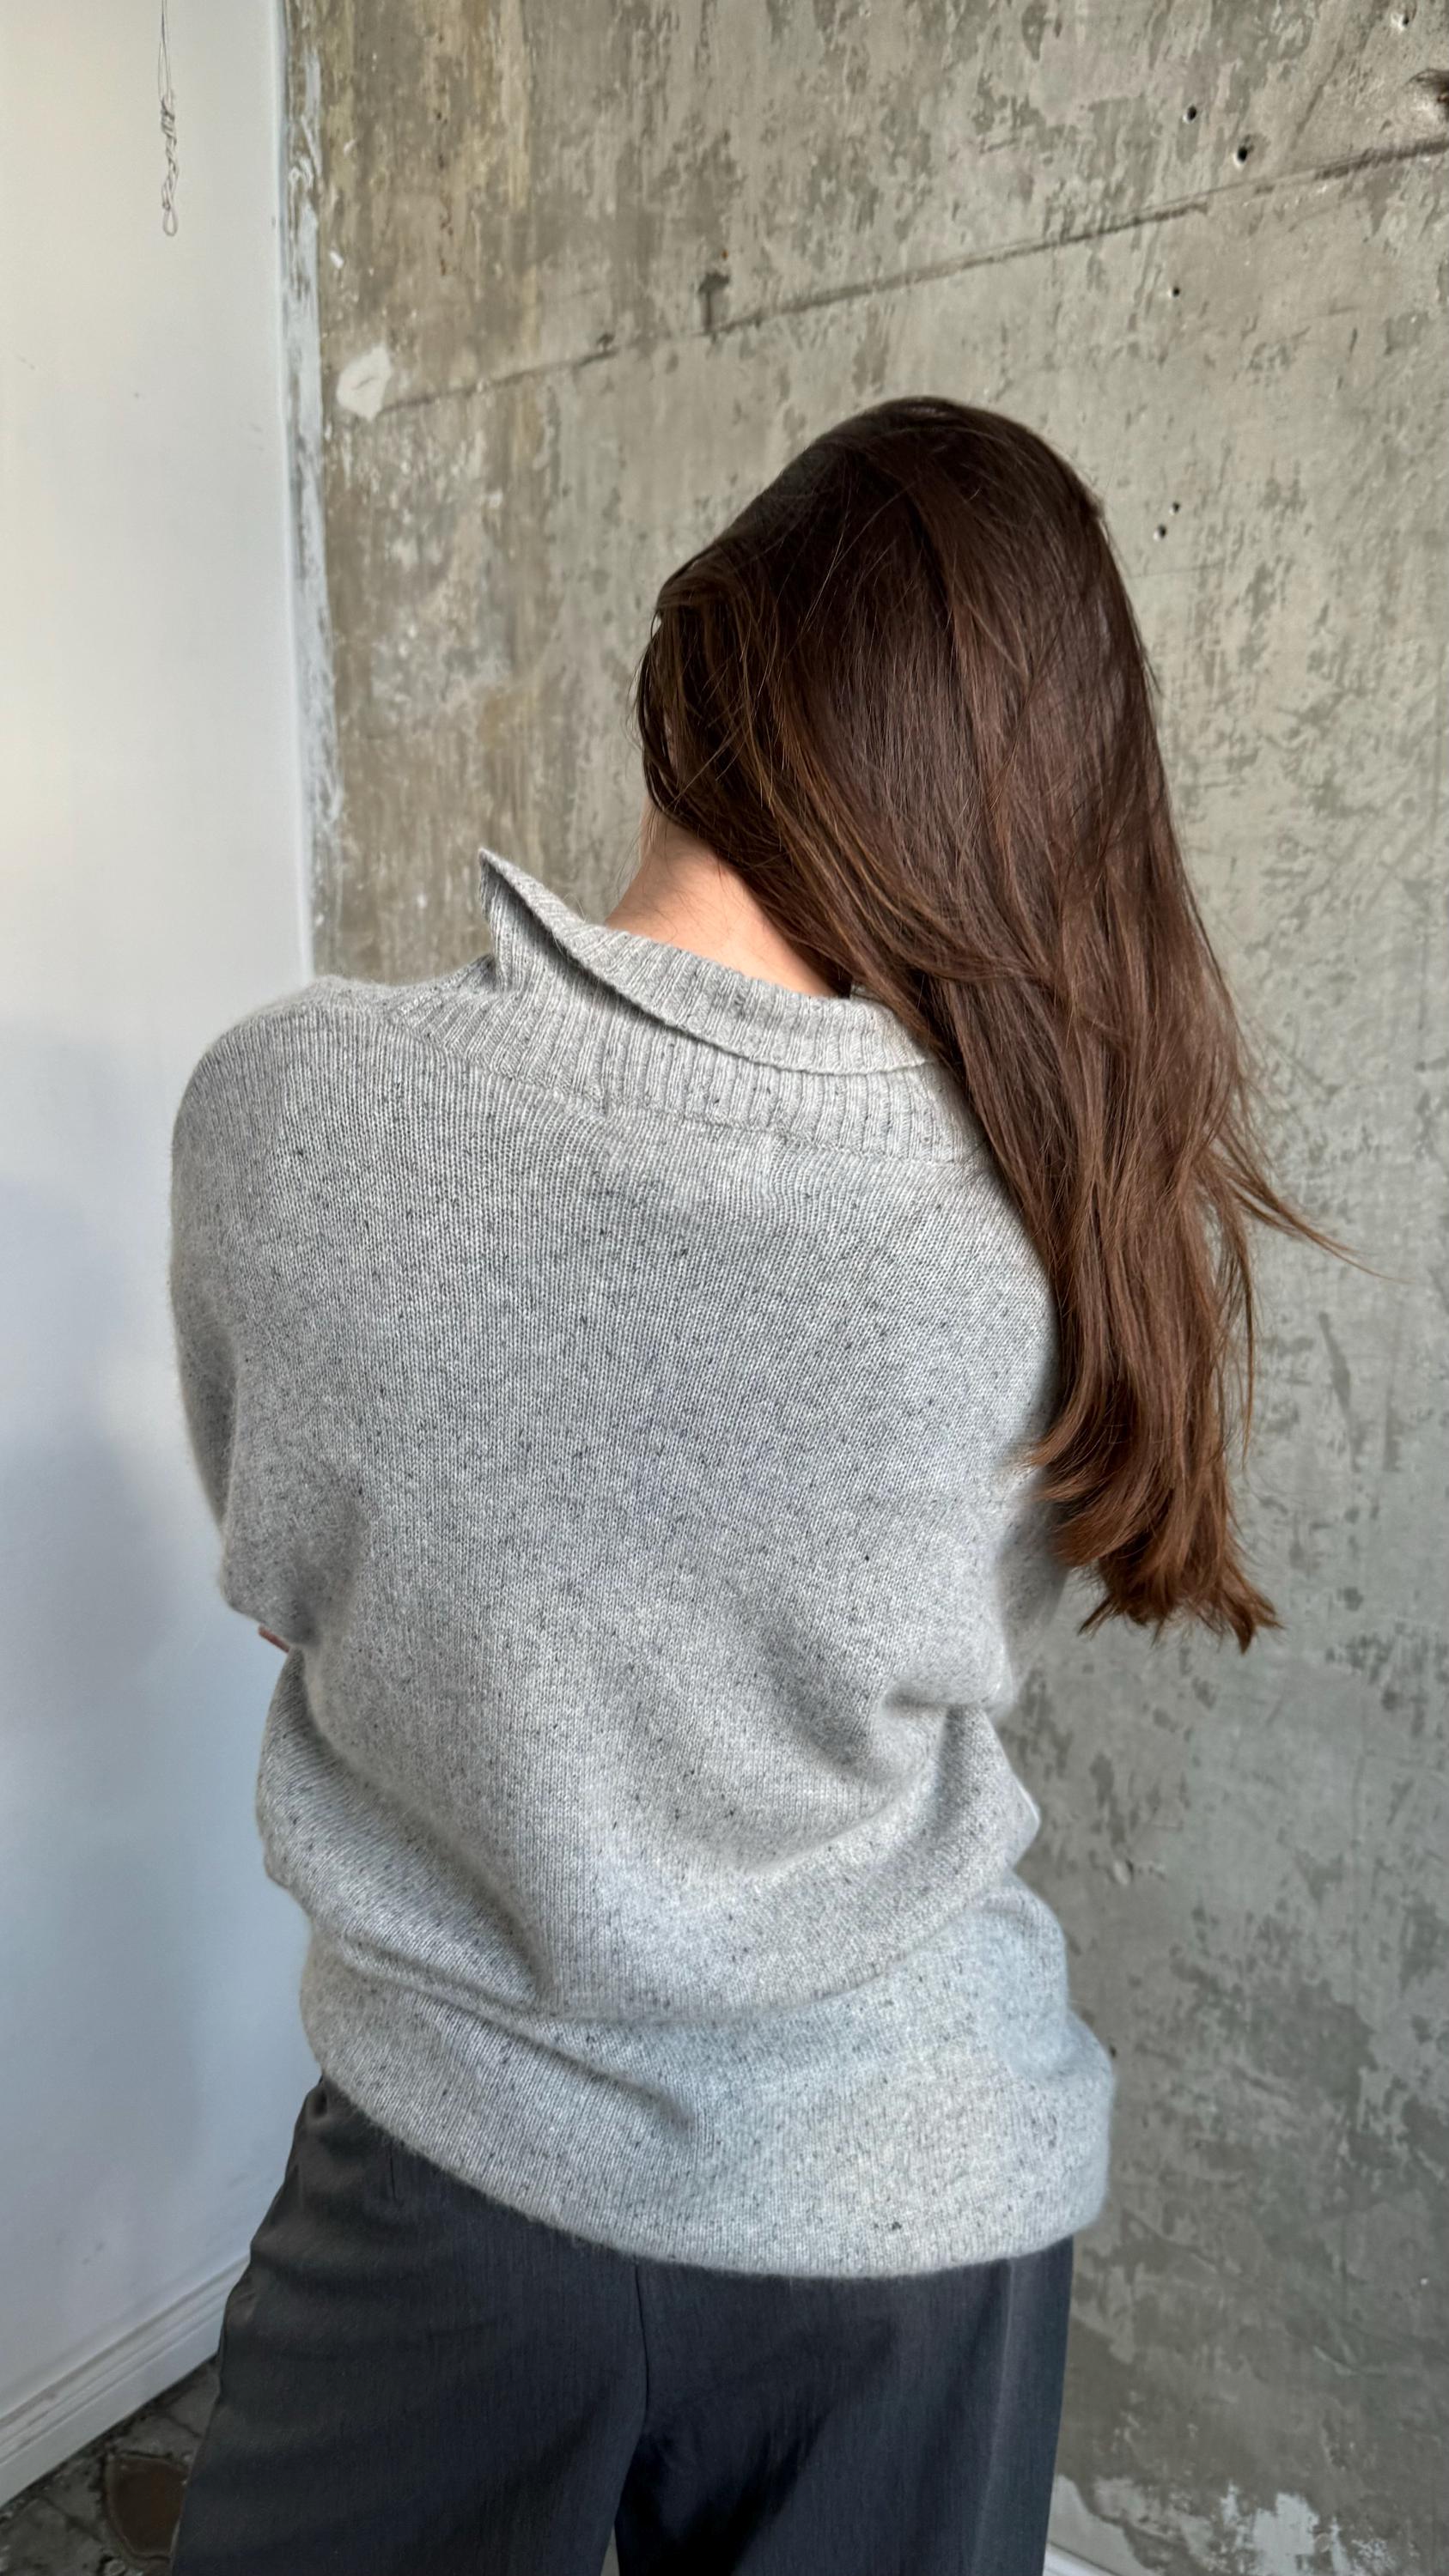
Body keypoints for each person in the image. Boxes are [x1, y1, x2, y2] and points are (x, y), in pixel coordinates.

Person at [164, 395, 1344, 2576]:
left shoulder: (278, 1115)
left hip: (445, 2177)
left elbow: (277, 1554)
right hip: (908, 2212)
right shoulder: (1053, 1242)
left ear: (696, 675)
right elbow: (967, 1648)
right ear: (1035, 809)